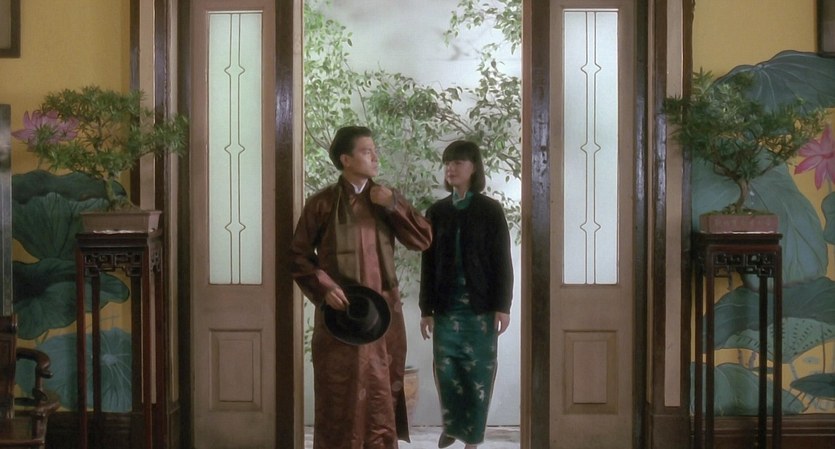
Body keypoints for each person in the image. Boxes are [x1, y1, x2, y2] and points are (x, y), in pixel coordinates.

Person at [290, 125, 433, 449]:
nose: (375, 157)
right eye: (367, 151)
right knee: (339, 391)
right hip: (340, 314)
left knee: (379, 391)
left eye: (374, 151)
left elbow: (423, 239)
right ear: (346, 159)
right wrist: (324, 288)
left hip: (381, 315)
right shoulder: (322, 203)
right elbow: (298, 255)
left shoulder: (384, 198)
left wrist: (394, 205)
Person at [419, 140, 513, 449]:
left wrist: (503, 306)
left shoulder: (490, 210)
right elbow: (428, 264)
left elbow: (502, 260)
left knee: (478, 377)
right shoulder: (437, 211)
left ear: (474, 168)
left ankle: (471, 440)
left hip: (480, 309)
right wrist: (426, 309)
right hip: (446, 308)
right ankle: (452, 425)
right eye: (447, 163)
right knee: (446, 372)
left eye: (458, 162)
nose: (451, 168)